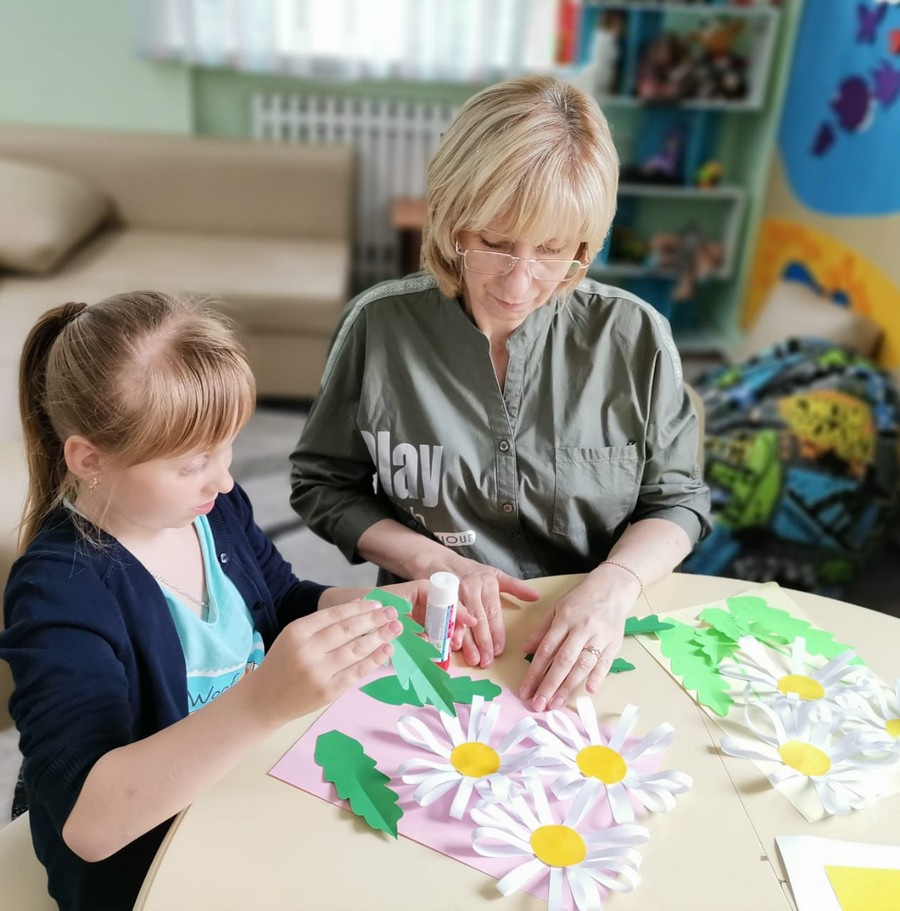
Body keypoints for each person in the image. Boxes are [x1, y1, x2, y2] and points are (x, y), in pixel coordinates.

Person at [0, 291, 461, 911]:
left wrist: (380, 608)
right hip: (148, 868)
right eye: (193, 463)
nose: (223, 479)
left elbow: (281, 600)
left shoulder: (211, 510)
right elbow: (89, 825)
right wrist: (262, 702)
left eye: (227, 448)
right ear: (90, 461)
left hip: (248, 790)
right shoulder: (59, 590)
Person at [290, 75, 711, 713]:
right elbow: (323, 483)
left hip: (594, 636)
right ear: (452, 219)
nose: (519, 284)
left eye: (551, 252)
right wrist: (431, 561)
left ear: (585, 244)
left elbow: (677, 500)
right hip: (435, 634)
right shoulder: (378, 328)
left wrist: (613, 587)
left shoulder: (634, 336)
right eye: (493, 244)